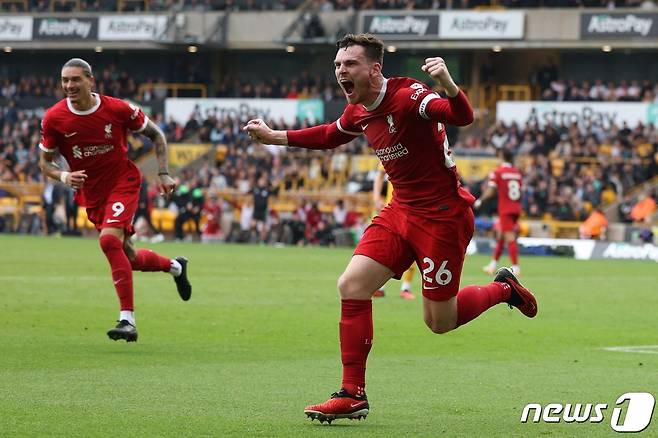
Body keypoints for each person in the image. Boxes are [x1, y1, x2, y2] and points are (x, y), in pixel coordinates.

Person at [244, 33, 538, 424]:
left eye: (349, 65)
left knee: (439, 322)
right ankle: (352, 394)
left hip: (442, 218)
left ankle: (503, 288)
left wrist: (449, 85)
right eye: (337, 65)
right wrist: (273, 137)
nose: (340, 72)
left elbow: (461, 116)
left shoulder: (410, 96)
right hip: (400, 210)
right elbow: (331, 135)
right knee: (351, 285)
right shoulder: (359, 109)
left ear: (374, 69)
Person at [38, 58, 192, 343]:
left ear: (90, 80)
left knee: (108, 242)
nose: (69, 86)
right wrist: (63, 177)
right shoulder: (54, 118)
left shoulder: (118, 108)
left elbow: (156, 134)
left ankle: (127, 320)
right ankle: (176, 267)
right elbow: (45, 163)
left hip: (123, 182)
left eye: (75, 80)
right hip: (92, 194)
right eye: (65, 81)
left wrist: (164, 173)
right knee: (128, 257)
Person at [474, 147, 523, 276]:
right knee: (501, 236)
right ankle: (492, 265)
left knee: (509, 236)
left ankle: (516, 267)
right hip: (516, 207)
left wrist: (480, 200)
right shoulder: (516, 172)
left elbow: (491, 190)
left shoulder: (498, 172)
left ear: (501, 156)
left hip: (505, 209)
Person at [372, 165, 415, 300]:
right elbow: (379, 174)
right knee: (385, 249)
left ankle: (405, 287)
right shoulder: (395, 149)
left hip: (413, 209)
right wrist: (376, 197)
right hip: (391, 208)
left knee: (412, 248)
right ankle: (380, 287)